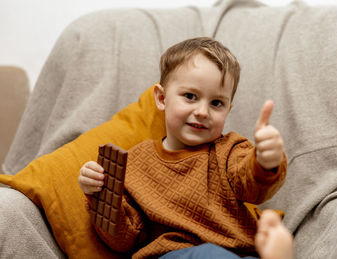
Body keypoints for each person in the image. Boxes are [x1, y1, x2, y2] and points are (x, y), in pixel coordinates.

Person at [78, 37, 290, 258]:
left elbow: (251, 181)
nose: (202, 112)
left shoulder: (230, 150)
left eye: (216, 103)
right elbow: (124, 238)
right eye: (190, 96)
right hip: (173, 253)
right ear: (161, 98)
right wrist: (99, 194)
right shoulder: (136, 163)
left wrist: (266, 161)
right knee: (207, 254)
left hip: (238, 252)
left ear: (228, 109)